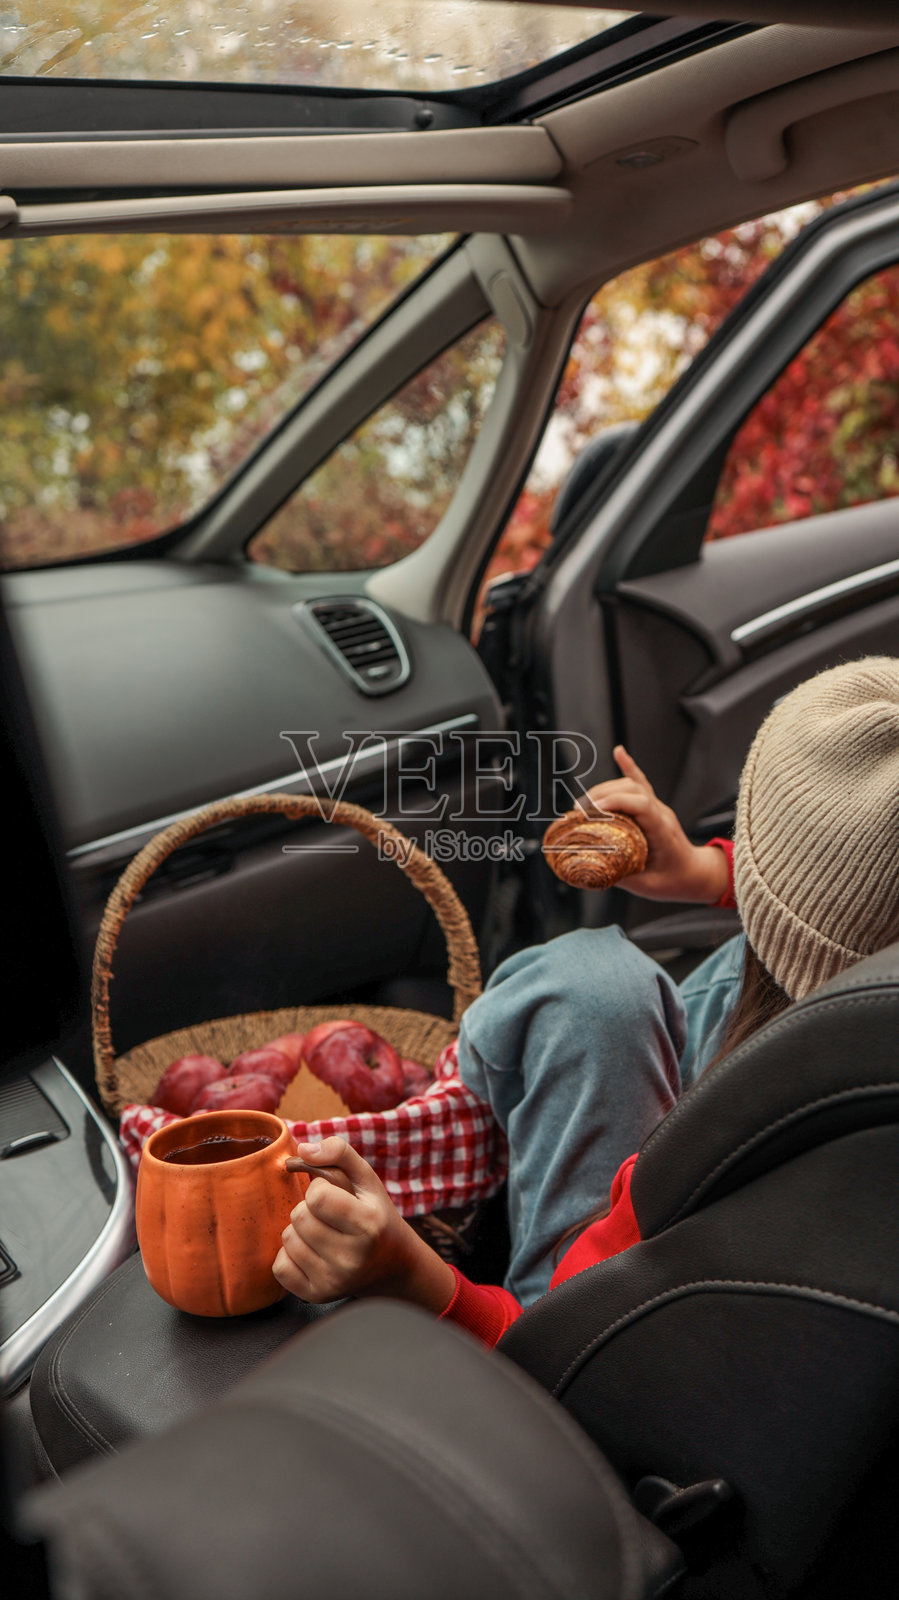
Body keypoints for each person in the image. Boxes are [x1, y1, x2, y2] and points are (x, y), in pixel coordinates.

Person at [272, 656, 899, 1348]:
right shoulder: (851, 985)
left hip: (561, 1332)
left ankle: (475, 1141)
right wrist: (705, 872)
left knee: (587, 990)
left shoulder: (700, 1159)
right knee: (601, 988)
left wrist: (409, 1274)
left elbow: (568, 1345)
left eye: (748, 850)